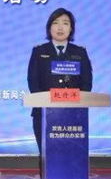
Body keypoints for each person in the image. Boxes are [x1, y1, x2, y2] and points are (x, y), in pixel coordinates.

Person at [27, 8, 93, 161]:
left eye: (65, 23)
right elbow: (33, 82)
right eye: (56, 23)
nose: (60, 27)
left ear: (71, 29)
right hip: (44, 114)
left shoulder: (80, 53)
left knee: (71, 159)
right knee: (48, 159)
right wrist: (44, 103)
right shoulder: (39, 52)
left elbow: (86, 83)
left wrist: (76, 103)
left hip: (74, 115)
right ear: (49, 28)